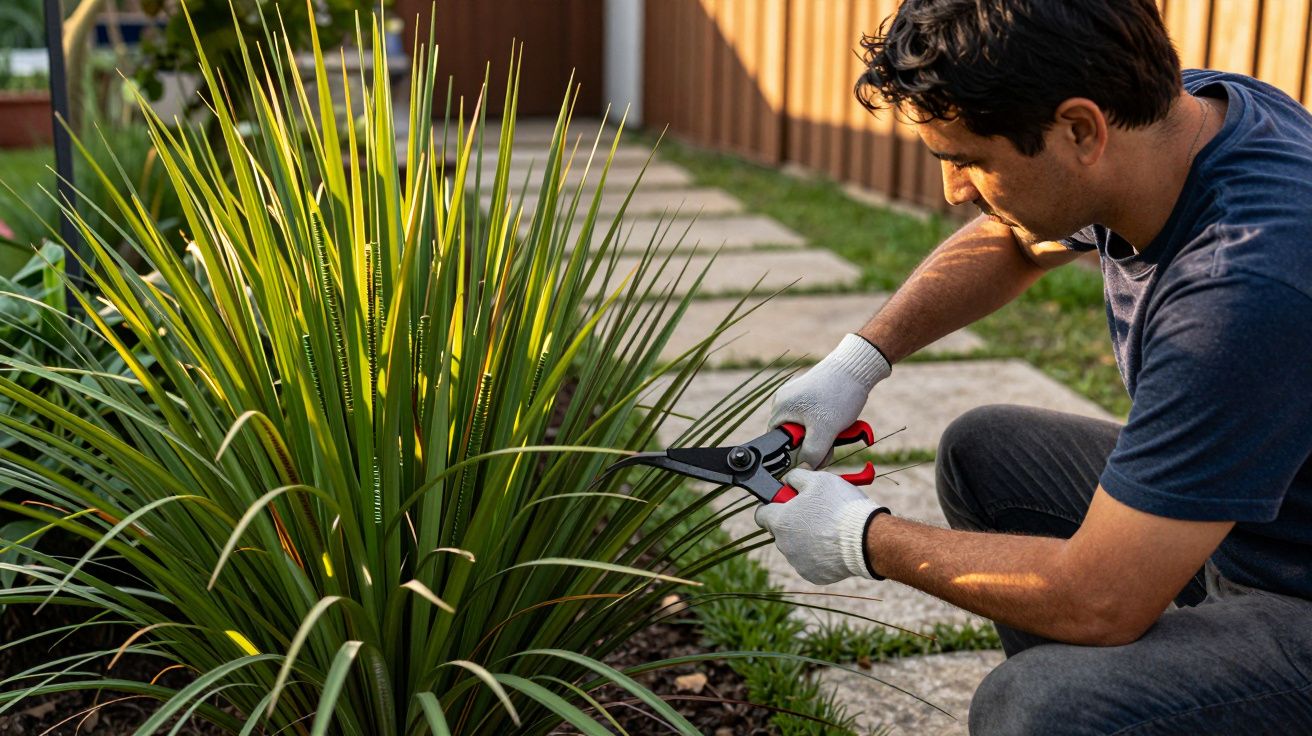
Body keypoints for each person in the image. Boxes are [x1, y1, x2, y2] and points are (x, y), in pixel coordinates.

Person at [752, 0, 1312, 733]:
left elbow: (1099, 598)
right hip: (1255, 530)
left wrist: (861, 537)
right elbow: (1015, 241)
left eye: (969, 161)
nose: (953, 191)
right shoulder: (1172, 120)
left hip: (1295, 598)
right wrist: (858, 362)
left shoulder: (1243, 286)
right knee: (986, 452)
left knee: (1040, 706)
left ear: (1080, 130)